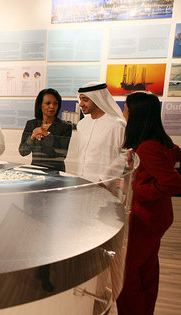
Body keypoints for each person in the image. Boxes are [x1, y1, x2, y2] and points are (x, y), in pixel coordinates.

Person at [116, 92, 181, 315]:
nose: (124, 112)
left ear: (136, 114)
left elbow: (173, 184)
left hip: (146, 218)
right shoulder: (162, 142)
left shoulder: (148, 147)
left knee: (128, 272)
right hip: (156, 217)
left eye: (126, 108)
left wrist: (131, 187)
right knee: (147, 268)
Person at [77, 82, 127, 182]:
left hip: (105, 184)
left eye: (85, 100)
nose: (81, 104)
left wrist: (105, 179)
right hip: (81, 181)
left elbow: (124, 155)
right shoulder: (81, 124)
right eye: (80, 99)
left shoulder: (117, 125)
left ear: (98, 99)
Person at [19, 88, 72, 171]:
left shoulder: (65, 126)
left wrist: (46, 134)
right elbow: (23, 152)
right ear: (40, 105)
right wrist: (32, 137)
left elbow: (61, 154)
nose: (52, 106)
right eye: (48, 103)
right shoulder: (31, 124)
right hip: (35, 170)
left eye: (55, 103)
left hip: (56, 172)